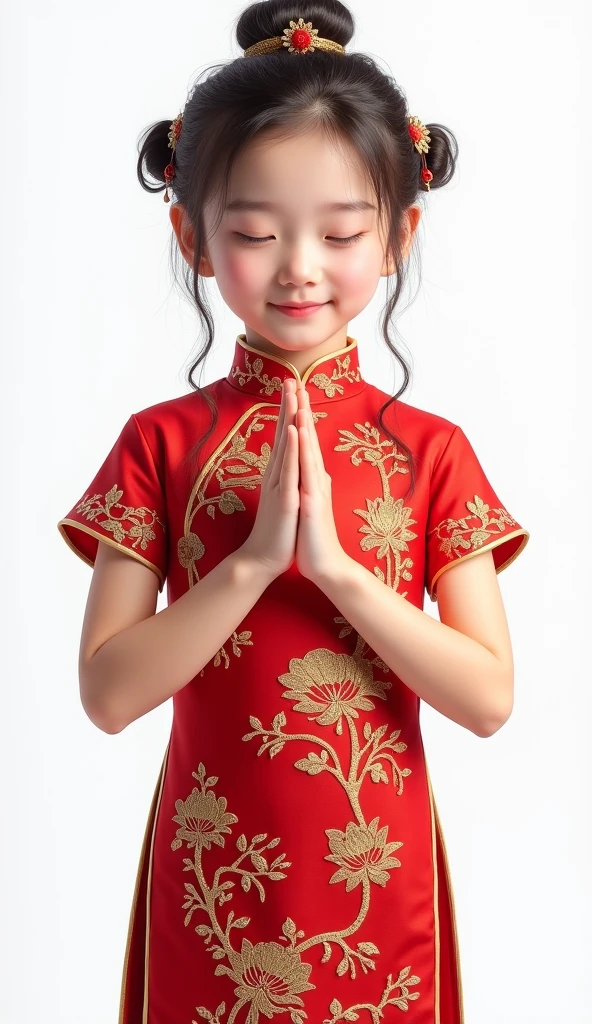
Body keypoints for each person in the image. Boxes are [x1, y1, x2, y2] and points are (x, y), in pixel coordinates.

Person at [57, 2, 530, 1022]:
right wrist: (246, 565)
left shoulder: (428, 452)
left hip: (376, 870)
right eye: (255, 233)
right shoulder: (161, 443)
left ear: (401, 233)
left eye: (343, 231)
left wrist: (342, 573)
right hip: (215, 864)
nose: (299, 266)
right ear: (191, 234)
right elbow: (106, 693)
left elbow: (488, 698)